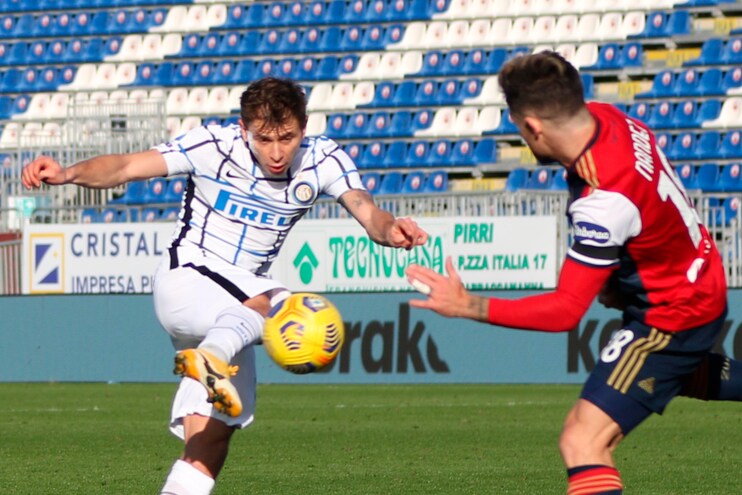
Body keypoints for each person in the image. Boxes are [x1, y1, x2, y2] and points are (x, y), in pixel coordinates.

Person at [22, 77, 428, 495]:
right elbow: (126, 166)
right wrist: (68, 173)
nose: (275, 151)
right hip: (189, 280)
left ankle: (210, 361)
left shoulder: (324, 159)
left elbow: (367, 210)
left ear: (304, 128)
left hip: (234, 311)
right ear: (243, 128)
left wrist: (391, 228)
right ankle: (212, 356)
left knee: (209, 441)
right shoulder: (213, 146)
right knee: (283, 302)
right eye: (263, 138)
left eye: (286, 138)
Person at [405, 51, 742, 495]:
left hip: (672, 312)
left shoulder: (603, 198)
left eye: (517, 127)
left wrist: (470, 305)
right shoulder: (609, 118)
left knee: (581, 440)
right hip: (697, 274)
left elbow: (565, 311)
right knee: (670, 374)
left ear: (532, 127)